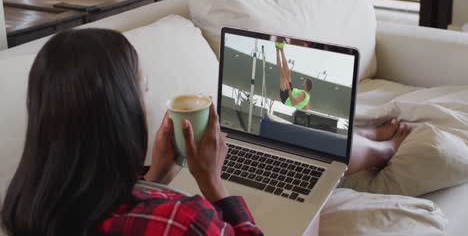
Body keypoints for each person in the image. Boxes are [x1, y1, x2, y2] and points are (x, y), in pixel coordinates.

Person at [0, 29, 263, 236]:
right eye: (143, 90)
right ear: (122, 112)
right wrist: (212, 181)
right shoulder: (184, 222)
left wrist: (154, 178)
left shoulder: (24, 208)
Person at [275, 41, 312, 110]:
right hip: (290, 91)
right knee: (288, 71)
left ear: (306, 85)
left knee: (283, 76)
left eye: (304, 82)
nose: (303, 83)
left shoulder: (304, 94)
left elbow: (293, 103)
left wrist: (289, 90)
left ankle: (277, 49)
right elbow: (305, 108)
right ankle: (281, 49)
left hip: (286, 98)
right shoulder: (308, 95)